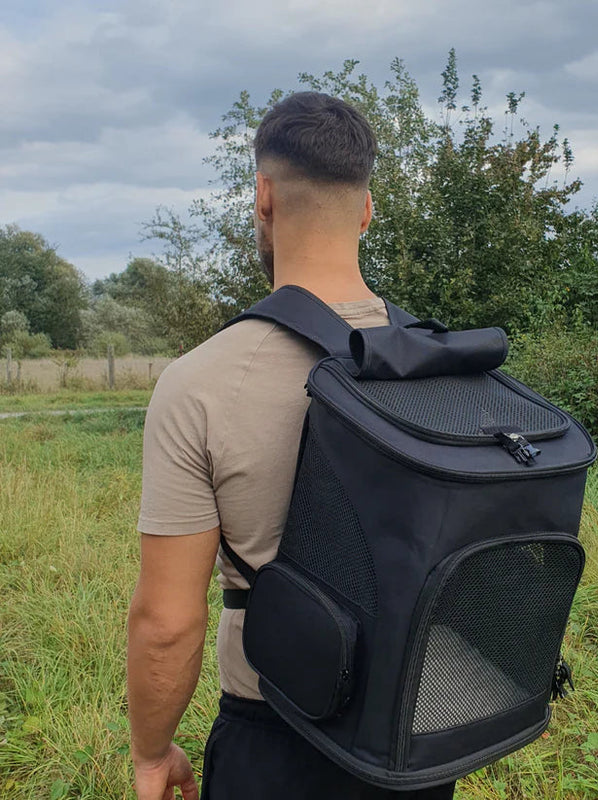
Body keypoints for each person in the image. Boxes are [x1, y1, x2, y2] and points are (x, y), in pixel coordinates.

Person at [126, 92, 457, 800]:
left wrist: (152, 752)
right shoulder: (438, 368)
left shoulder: (198, 384)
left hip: (273, 727)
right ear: (366, 209)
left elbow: (166, 623)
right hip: (414, 734)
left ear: (263, 198)